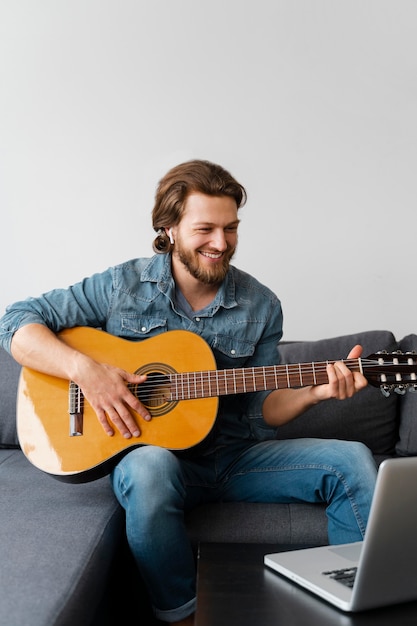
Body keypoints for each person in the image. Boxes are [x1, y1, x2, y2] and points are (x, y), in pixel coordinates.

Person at [0, 159, 377, 625]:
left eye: (231, 229)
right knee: (151, 465)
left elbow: (263, 412)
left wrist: (315, 393)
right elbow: (15, 322)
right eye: (206, 229)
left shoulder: (261, 304)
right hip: (160, 462)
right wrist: (86, 370)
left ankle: (356, 604)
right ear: (169, 228)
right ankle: (181, 617)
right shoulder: (124, 285)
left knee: (353, 460)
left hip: (236, 459)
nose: (221, 244)